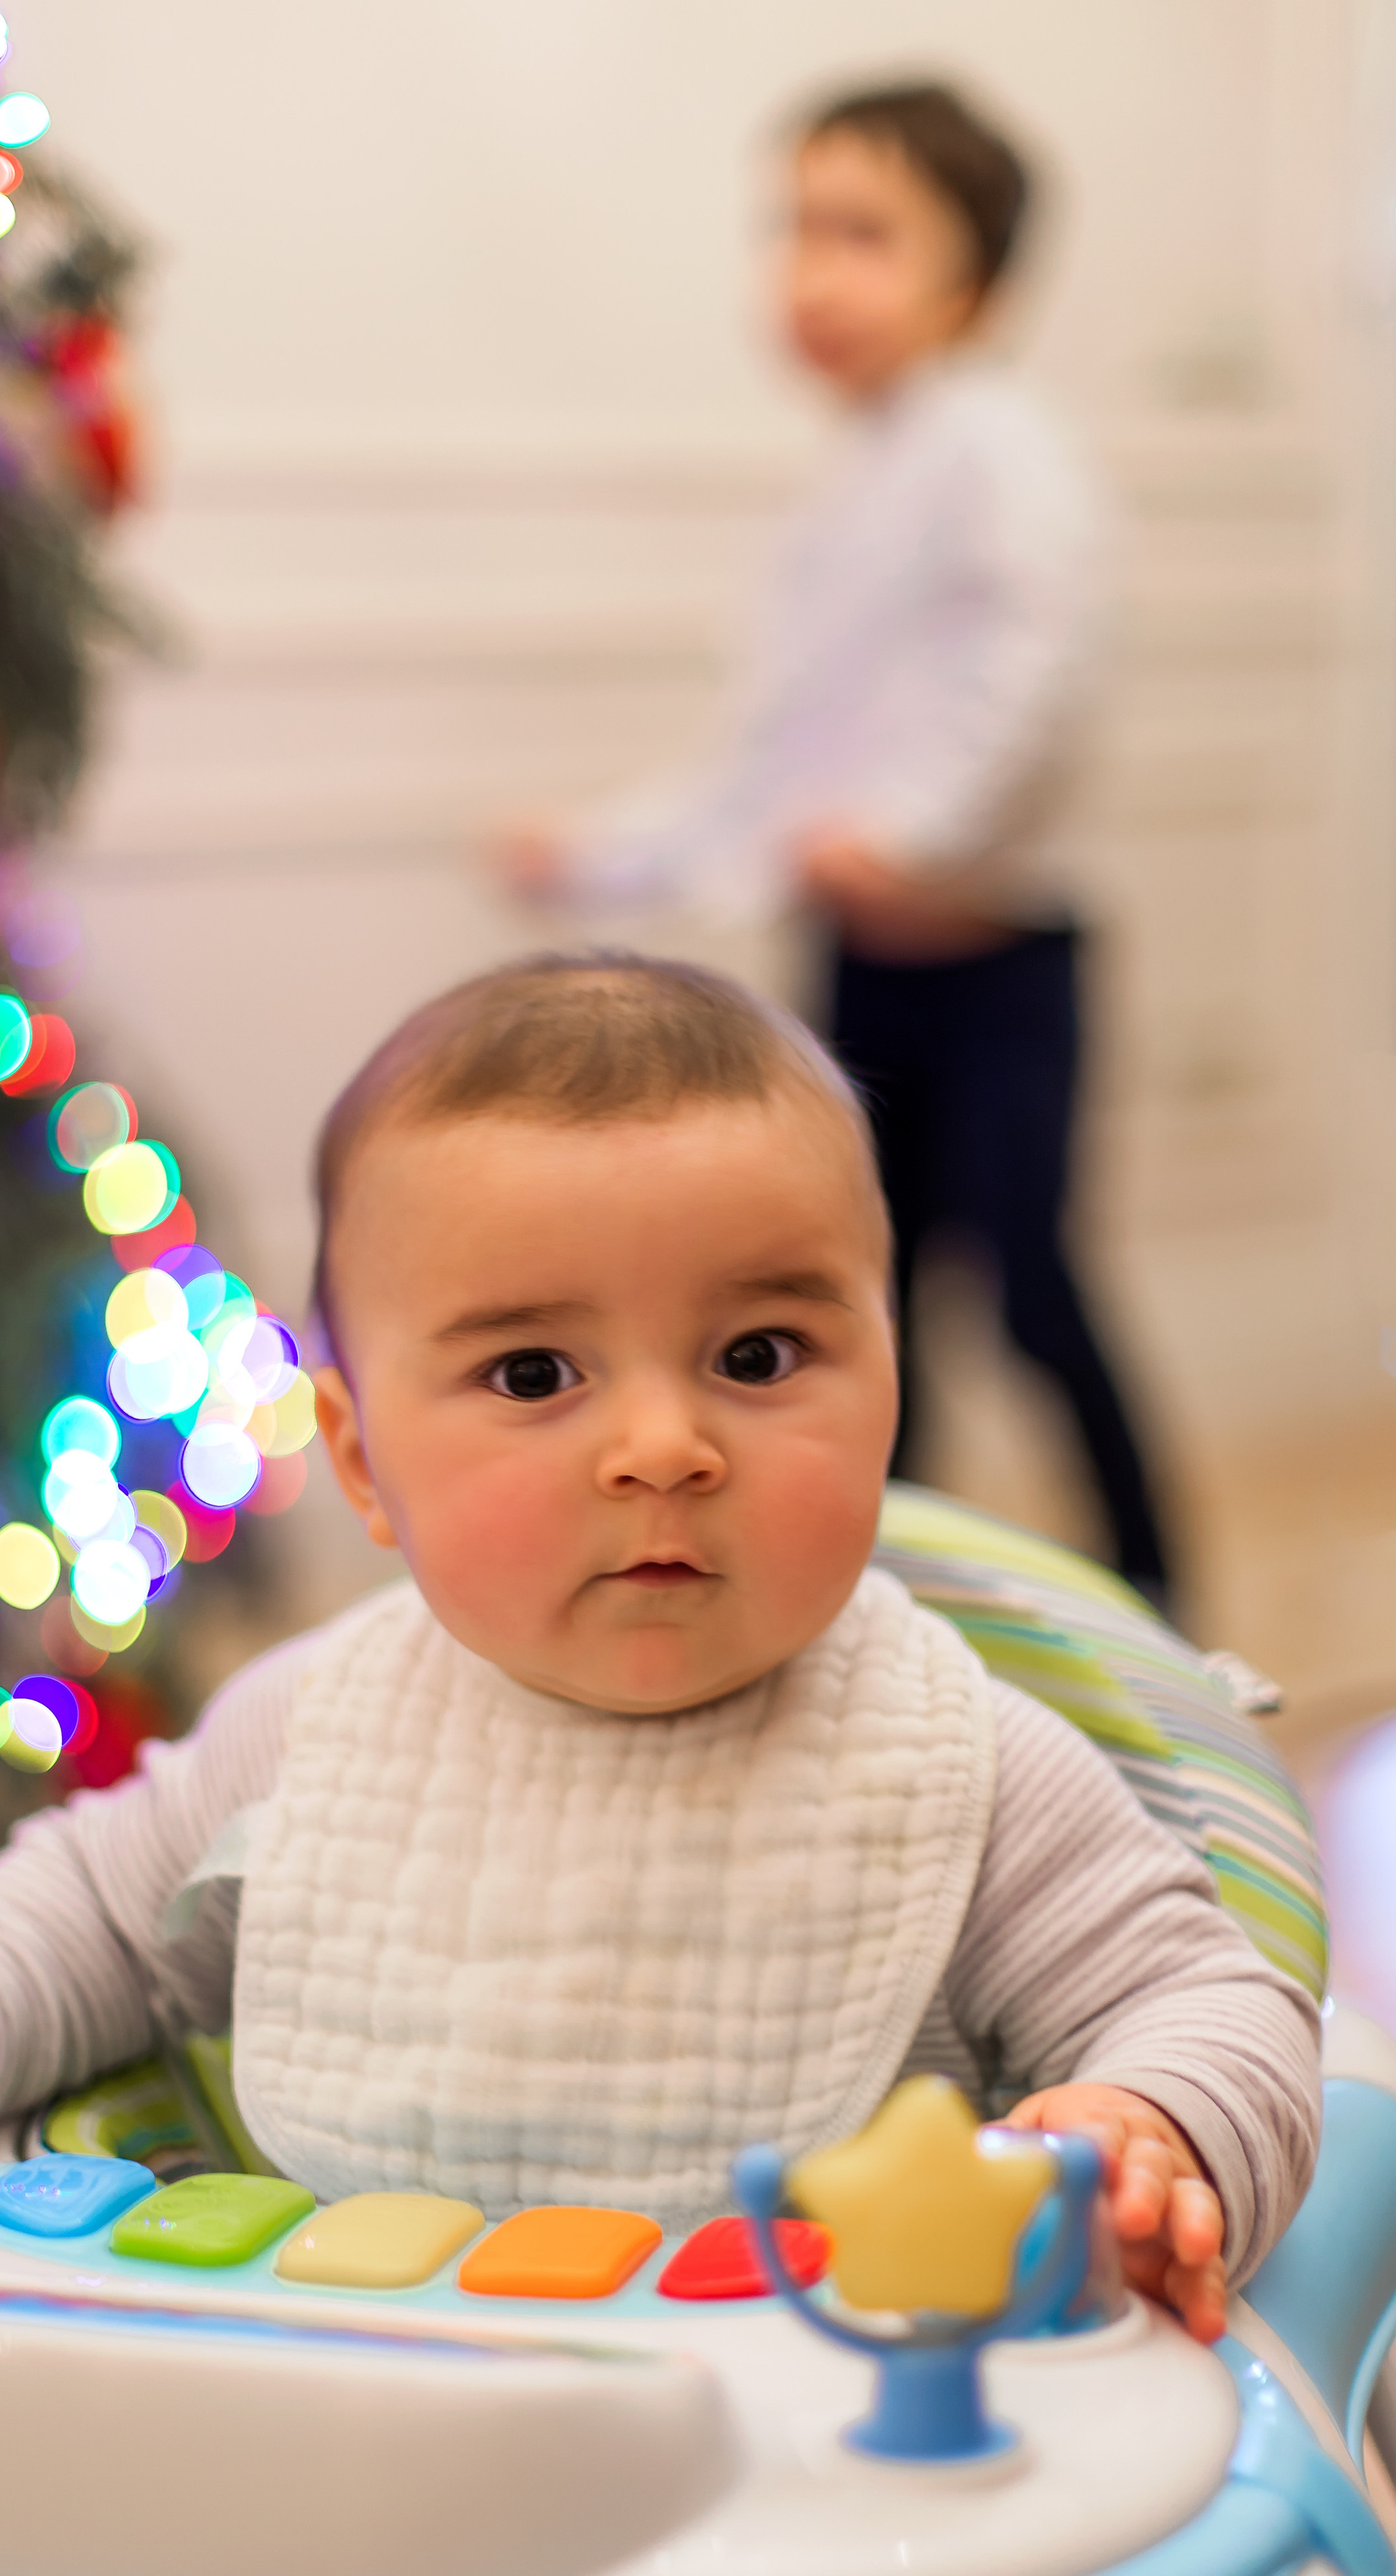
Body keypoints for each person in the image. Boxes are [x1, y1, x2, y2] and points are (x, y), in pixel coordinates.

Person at [0, 957, 1313, 2338]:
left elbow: (1208, 2003)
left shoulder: (967, 1766)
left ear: (887, 1382)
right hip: (353, 2436)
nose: (663, 1447)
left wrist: (1145, 2131)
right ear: (361, 1461)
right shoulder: (313, 1732)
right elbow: (96, 1922)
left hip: (823, 2475)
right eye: (535, 1375)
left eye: (759, 1354)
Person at [496, 82, 1173, 1602]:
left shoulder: (1002, 452)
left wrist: (912, 836)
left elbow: (1036, 675)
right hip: (865, 964)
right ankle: (883, 1591)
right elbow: (771, 758)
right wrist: (598, 853)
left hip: (997, 967)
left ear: (974, 282)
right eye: (794, 229)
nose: (811, 271)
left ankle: (1155, 1588)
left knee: (1031, 1291)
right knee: (858, 1299)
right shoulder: (852, 479)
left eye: (862, 234)